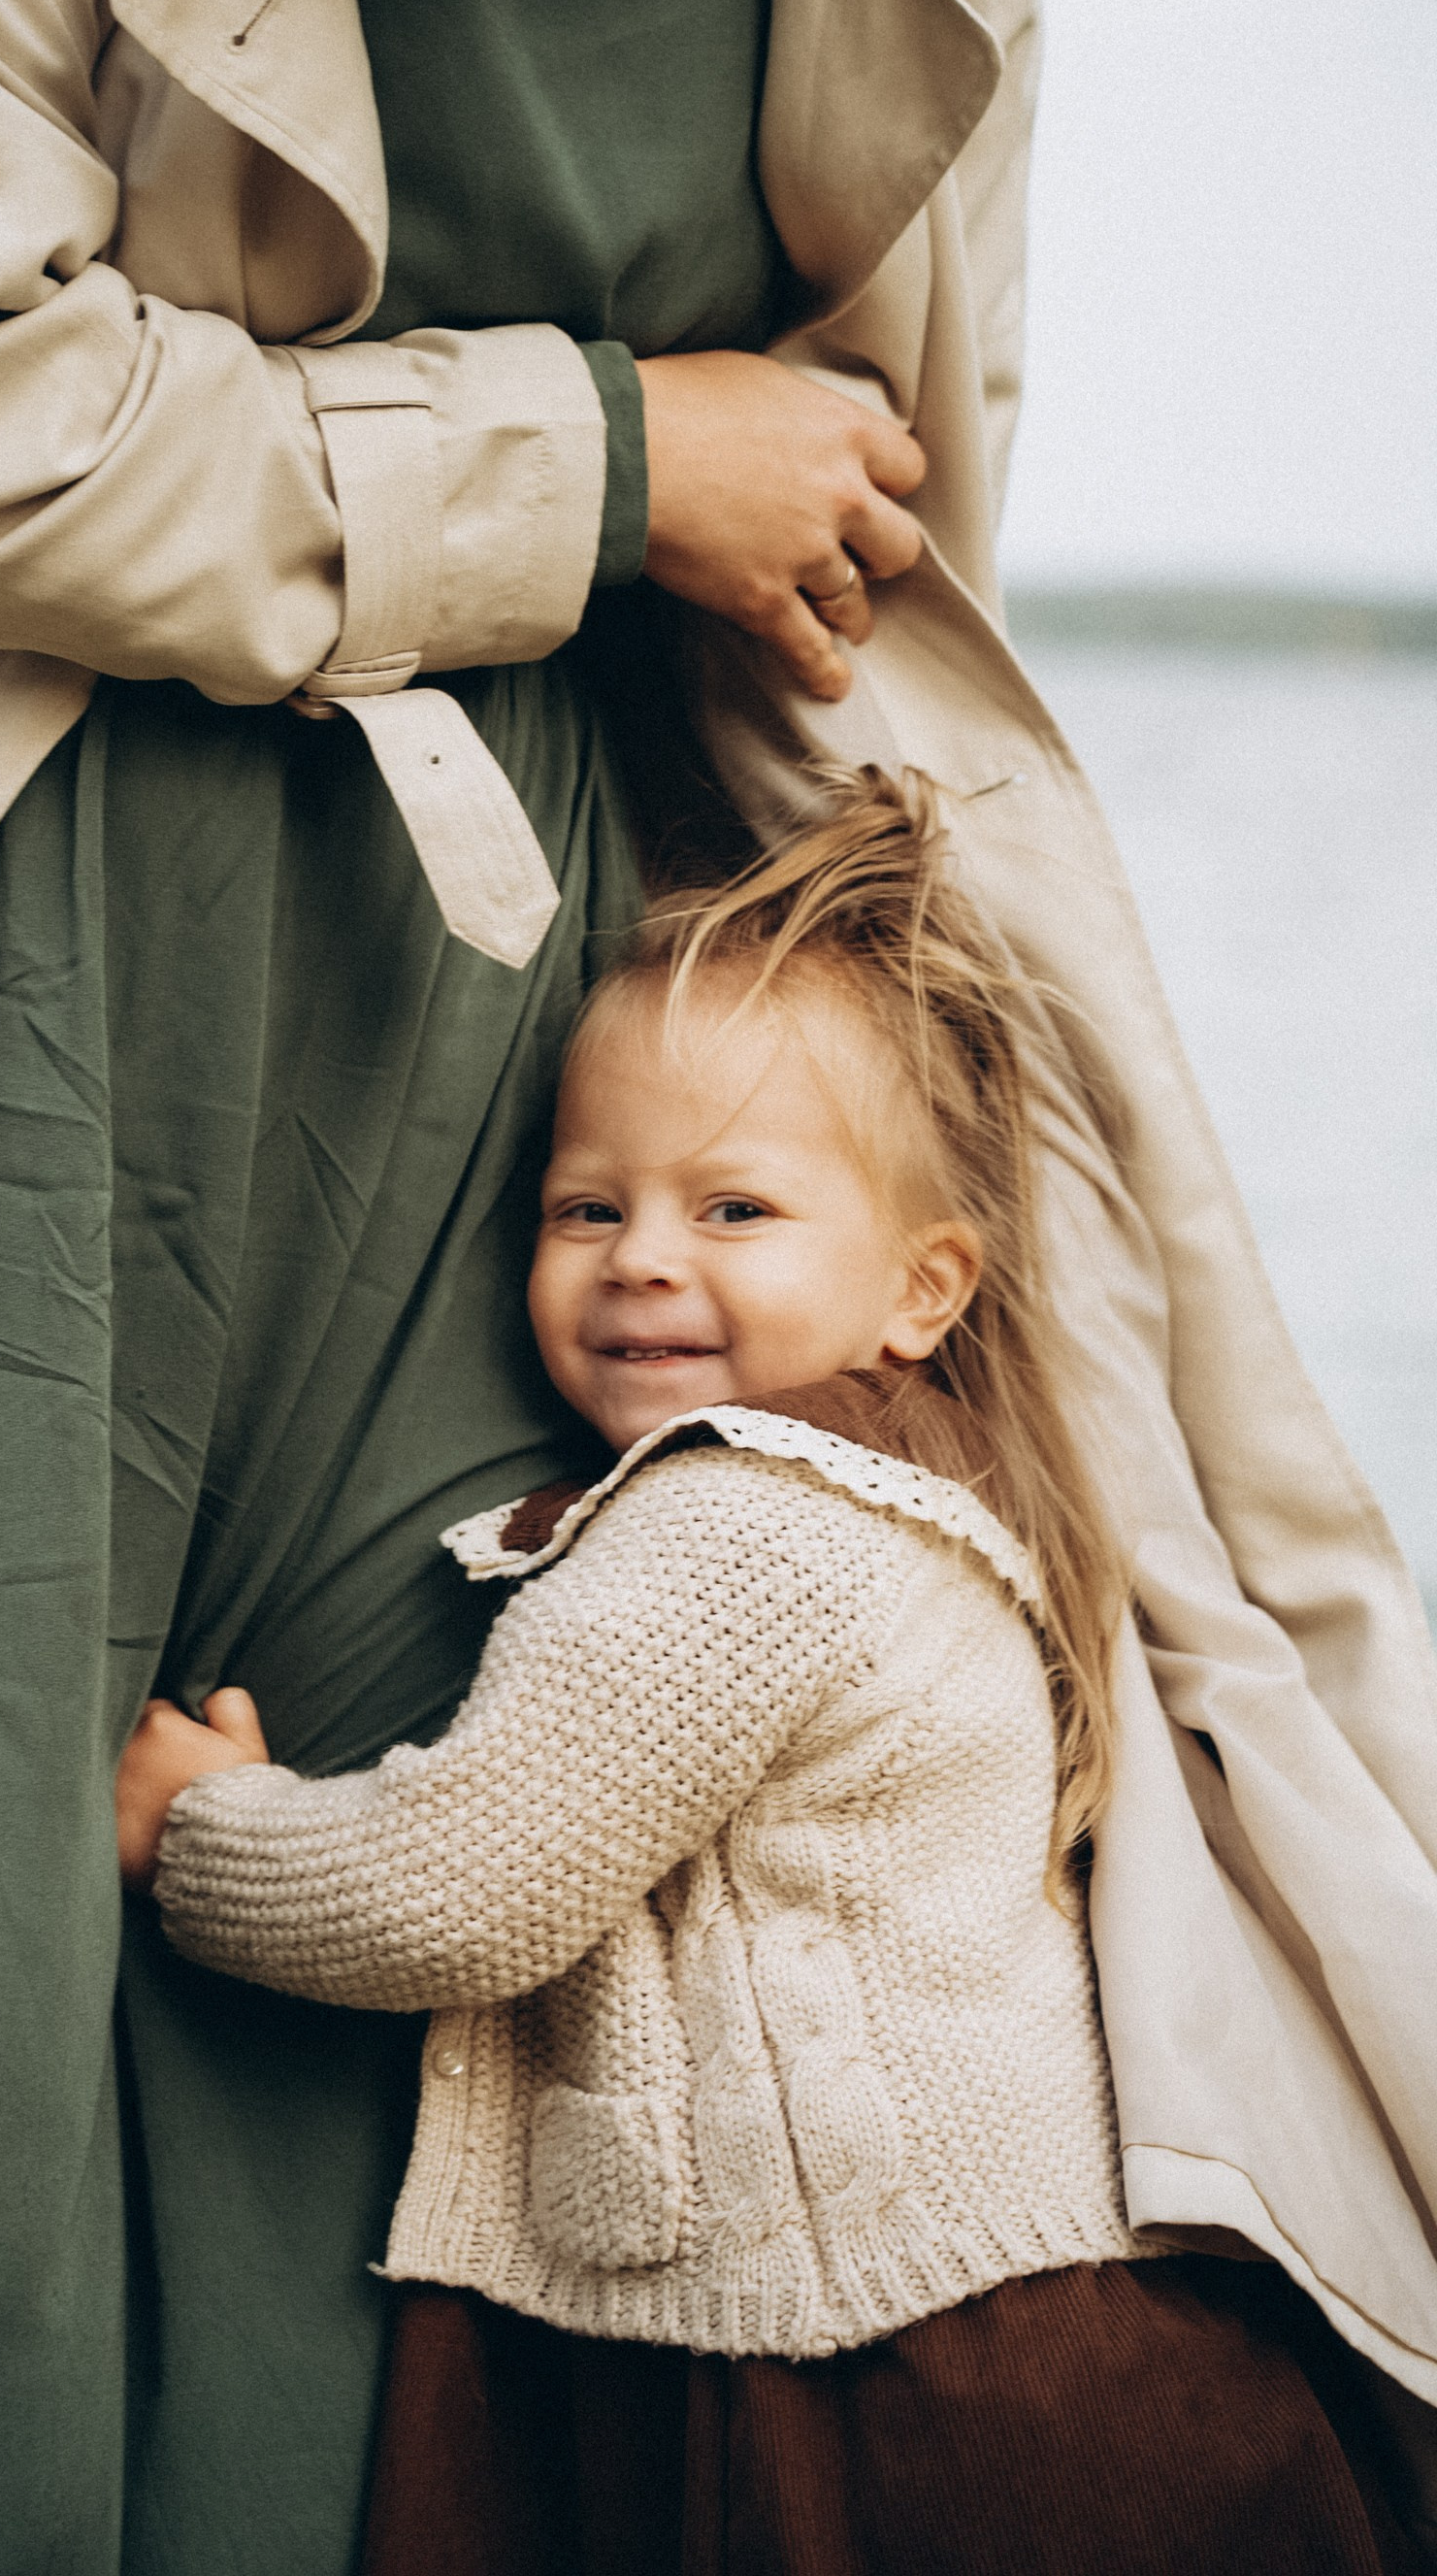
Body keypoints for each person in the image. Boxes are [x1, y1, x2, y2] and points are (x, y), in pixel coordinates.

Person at [0, 0, 1435, 2571]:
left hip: (562, 1029)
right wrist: (599, 468)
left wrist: (760, 1038)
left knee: (377, 2196)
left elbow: (883, 474)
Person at [116, 769, 1405, 2574]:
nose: (645, 1255)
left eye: (735, 1211)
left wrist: (204, 1831)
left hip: (906, 2384)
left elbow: (455, 1891)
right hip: (933, 2315)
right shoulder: (910, 1490)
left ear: (924, 1288)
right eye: (587, 1207)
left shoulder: (747, 1531)